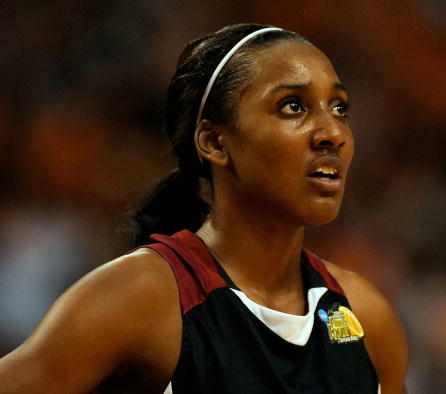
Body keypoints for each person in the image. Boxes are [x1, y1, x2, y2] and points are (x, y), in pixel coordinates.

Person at [0, 23, 408, 393]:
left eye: (339, 108)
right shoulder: (144, 296)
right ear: (214, 142)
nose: (332, 133)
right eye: (293, 107)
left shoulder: (366, 316)